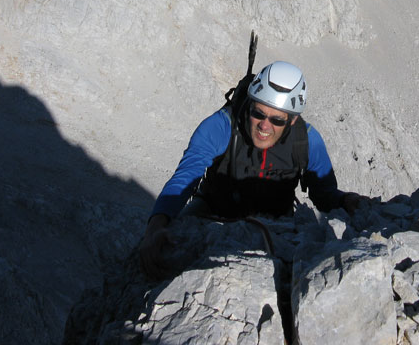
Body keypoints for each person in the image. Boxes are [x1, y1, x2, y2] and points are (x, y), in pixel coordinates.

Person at [140, 61, 363, 277]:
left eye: (277, 119)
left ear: (292, 120)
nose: (265, 126)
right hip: (212, 212)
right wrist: (157, 224)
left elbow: (324, 194)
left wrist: (344, 200)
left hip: (277, 224)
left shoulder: (307, 141)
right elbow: (186, 177)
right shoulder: (221, 126)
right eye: (258, 113)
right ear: (249, 103)